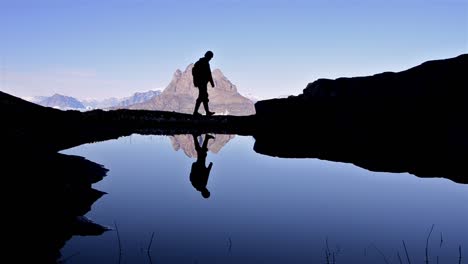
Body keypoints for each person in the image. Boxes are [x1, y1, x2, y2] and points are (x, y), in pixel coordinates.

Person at [190, 133, 215, 198]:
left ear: (204, 192)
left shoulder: (200, 185)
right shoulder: (201, 185)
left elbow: (206, 174)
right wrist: (209, 166)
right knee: (202, 153)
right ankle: (205, 137)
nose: (207, 190)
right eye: (208, 191)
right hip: (200, 166)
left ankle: (195, 136)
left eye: (207, 192)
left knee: (201, 153)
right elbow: (206, 174)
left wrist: (210, 166)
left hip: (199, 166)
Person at [192, 51, 215, 116]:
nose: (211, 59)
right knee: (202, 96)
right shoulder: (205, 63)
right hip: (202, 83)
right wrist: (212, 83)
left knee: (204, 96)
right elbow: (209, 74)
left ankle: (207, 112)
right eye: (211, 57)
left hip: (199, 82)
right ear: (209, 56)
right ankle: (195, 112)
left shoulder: (199, 62)